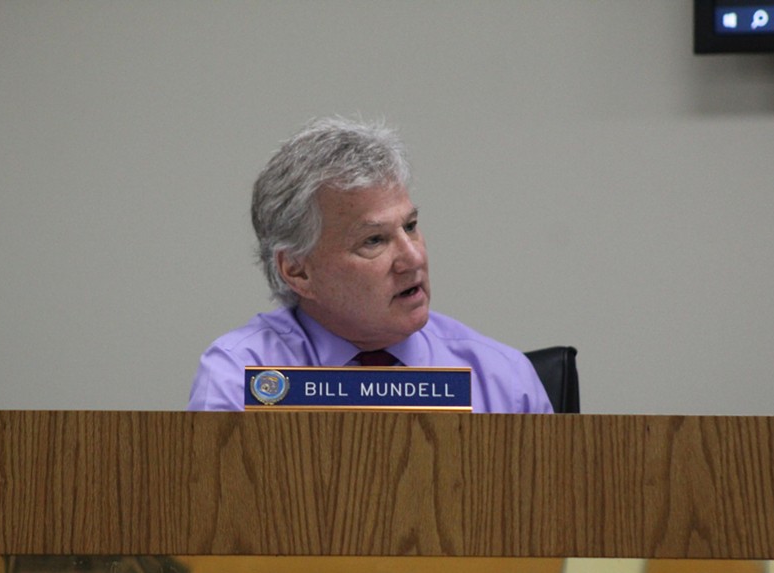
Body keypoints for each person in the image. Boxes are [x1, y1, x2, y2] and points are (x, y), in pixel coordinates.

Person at [188, 117, 553, 413]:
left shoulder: (504, 381)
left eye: (410, 226)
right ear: (298, 271)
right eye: (373, 240)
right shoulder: (242, 377)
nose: (413, 257)